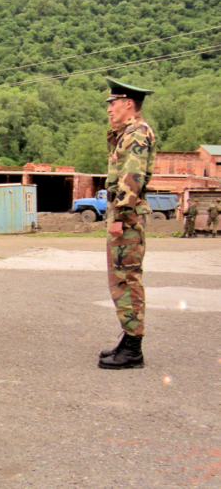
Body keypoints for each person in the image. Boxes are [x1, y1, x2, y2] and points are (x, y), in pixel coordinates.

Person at [98, 77, 157, 370]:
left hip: (128, 217)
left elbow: (131, 177)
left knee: (127, 280)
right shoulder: (126, 133)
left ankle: (134, 348)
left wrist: (119, 216)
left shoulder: (136, 132)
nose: (109, 109)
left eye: (113, 104)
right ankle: (128, 338)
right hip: (124, 215)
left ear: (129, 104)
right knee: (120, 279)